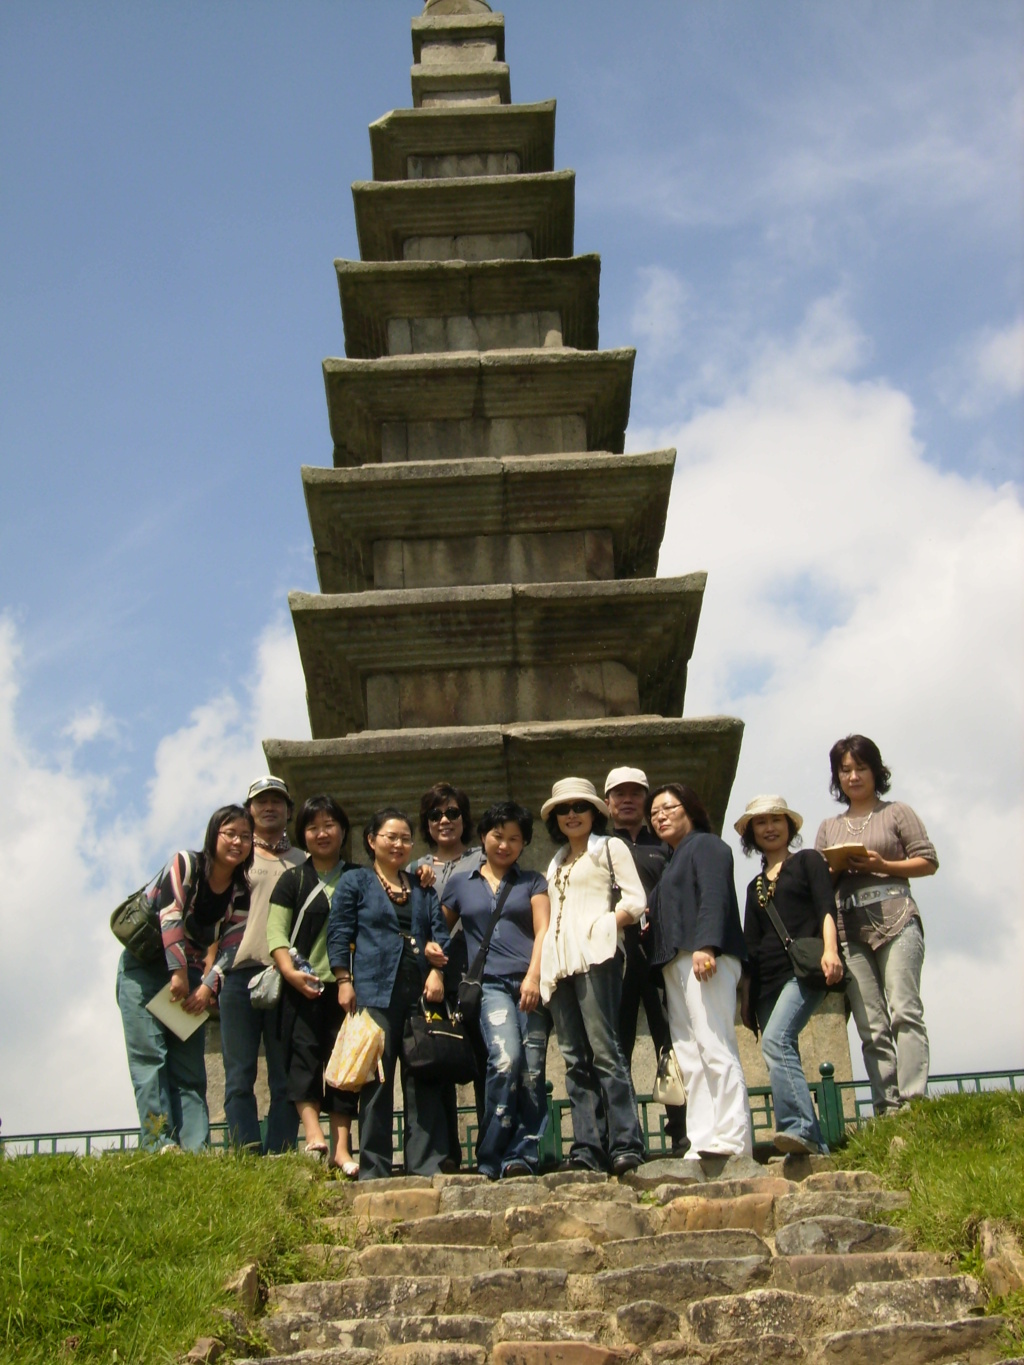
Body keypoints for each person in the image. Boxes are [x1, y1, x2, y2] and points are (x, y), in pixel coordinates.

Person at [116, 804, 253, 1151]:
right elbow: (170, 912)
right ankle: (159, 1142)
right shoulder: (186, 863)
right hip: (145, 966)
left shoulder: (241, 892)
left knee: (189, 1068)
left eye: (245, 836)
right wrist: (177, 973)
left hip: (192, 976)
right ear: (214, 835)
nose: (237, 842)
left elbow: (233, 946)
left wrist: (207, 988)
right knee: (150, 1058)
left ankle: (195, 1148)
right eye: (230, 833)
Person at [815, 735, 937, 1115]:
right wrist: (835, 867)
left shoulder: (897, 812)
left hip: (896, 914)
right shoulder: (828, 827)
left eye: (861, 768)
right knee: (871, 1023)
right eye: (845, 770)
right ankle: (888, 1105)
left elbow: (928, 862)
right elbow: (819, 888)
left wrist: (882, 865)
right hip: (849, 925)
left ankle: (914, 1100)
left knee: (904, 1009)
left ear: (876, 771)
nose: (853, 776)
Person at [327, 807, 452, 1179]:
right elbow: (340, 932)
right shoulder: (356, 882)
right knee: (378, 1082)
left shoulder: (422, 886)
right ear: (371, 841)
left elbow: (439, 935)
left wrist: (436, 970)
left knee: (422, 1076)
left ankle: (426, 1164)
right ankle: (375, 1167)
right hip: (374, 990)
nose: (398, 844)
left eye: (405, 839)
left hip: (419, 992)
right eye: (390, 837)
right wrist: (344, 980)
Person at [538, 777, 648, 1176]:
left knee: (606, 1051)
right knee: (573, 1059)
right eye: (564, 810)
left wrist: (603, 925)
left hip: (597, 956)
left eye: (579, 807)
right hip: (559, 962)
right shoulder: (556, 861)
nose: (572, 815)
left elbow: (636, 900)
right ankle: (588, 1143)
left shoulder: (609, 847)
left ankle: (625, 1141)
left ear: (593, 813)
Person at [438, 801, 551, 1179]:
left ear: (524, 844)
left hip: (530, 982)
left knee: (533, 1071)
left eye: (514, 839)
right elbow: (438, 928)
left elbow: (543, 931)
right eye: (497, 836)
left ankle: (524, 1154)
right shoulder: (459, 884)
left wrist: (534, 977)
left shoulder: (532, 881)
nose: (504, 845)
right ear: (484, 837)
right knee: (505, 1060)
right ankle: (490, 1155)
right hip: (489, 985)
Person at [648, 783, 752, 1159]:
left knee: (714, 1044)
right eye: (654, 812)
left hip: (705, 956)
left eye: (668, 808)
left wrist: (706, 944)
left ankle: (734, 1136)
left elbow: (715, 896)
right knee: (690, 1053)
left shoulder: (707, 845)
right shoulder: (673, 858)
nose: (660, 816)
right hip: (676, 962)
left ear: (689, 808)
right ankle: (704, 1136)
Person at [736, 795, 844, 1155]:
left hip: (803, 970)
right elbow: (750, 943)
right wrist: (745, 996)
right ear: (751, 834)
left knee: (776, 1042)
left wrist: (831, 950)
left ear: (789, 826)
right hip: (767, 980)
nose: (769, 827)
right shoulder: (755, 887)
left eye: (775, 820)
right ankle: (812, 1145)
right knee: (781, 1051)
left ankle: (800, 1129)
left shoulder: (809, 861)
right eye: (760, 823)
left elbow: (826, 908)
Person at [268, 794, 359, 1173]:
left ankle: (341, 1148)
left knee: (344, 1068)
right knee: (303, 1059)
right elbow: (275, 932)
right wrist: (290, 973)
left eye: (329, 825)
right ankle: (312, 1134)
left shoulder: (358, 877)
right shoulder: (293, 879)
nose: (321, 833)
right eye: (312, 826)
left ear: (343, 830)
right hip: (303, 988)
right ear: (302, 834)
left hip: (346, 991)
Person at [217, 776, 304, 1153]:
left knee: (285, 1076)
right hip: (238, 974)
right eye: (261, 802)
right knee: (239, 1074)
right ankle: (245, 1151)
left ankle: (282, 1150)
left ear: (288, 810)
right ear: (249, 809)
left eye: (277, 802)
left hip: (285, 976)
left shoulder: (303, 861)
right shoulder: (236, 858)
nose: (269, 807)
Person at [604, 766, 687, 1155]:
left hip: (659, 952)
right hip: (616, 954)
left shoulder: (665, 845)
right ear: (607, 803)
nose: (627, 800)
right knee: (615, 1046)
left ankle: (681, 1130)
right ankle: (620, 1136)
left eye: (635, 793)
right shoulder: (598, 846)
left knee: (670, 1042)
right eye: (619, 794)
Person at [408, 782, 482, 1165]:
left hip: (475, 974)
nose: (444, 820)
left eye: (452, 812)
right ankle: (440, 1158)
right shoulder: (413, 867)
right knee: (433, 1062)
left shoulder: (484, 858)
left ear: (464, 818)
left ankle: (491, 1153)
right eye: (435, 815)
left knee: (486, 1060)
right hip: (428, 979)